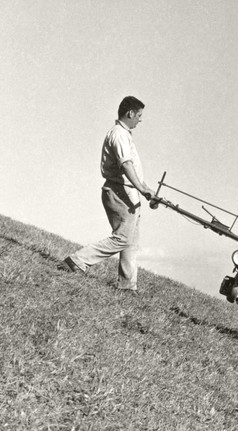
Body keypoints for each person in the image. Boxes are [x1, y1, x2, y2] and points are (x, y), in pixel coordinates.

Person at [62, 96, 156, 293]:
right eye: (139, 115)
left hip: (128, 193)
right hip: (118, 191)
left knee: (131, 241)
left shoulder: (125, 135)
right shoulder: (119, 135)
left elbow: (133, 171)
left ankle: (127, 286)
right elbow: (126, 164)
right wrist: (141, 188)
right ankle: (76, 260)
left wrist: (147, 191)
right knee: (122, 238)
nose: (140, 119)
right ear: (130, 113)